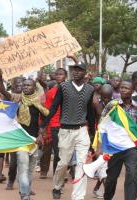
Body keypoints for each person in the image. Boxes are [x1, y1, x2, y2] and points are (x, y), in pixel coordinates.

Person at [40, 62, 95, 200]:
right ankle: (57, 186)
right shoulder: (63, 87)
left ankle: (78, 196)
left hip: (82, 130)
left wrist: (93, 133)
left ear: (84, 72)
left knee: (82, 164)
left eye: (80, 70)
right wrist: (43, 126)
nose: (76, 72)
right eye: (74, 70)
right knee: (63, 162)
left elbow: (90, 112)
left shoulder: (89, 89)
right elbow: (54, 107)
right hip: (65, 130)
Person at [100, 80, 137, 200]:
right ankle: (107, 197)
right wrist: (101, 145)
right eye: (122, 87)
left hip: (132, 147)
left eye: (126, 88)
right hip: (115, 147)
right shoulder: (112, 105)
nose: (123, 90)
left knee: (132, 175)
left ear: (133, 90)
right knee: (112, 178)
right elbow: (102, 123)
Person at [0, 78, 49, 200]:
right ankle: (25, 195)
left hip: (34, 141)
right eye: (24, 85)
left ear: (34, 88)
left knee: (30, 170)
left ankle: (24, 189)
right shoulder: (17, 99)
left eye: (28, 85)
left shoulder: (38, 102)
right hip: (20, 140)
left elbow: (46, 118)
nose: (25, 87)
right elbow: (3, 91)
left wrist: (41, 134)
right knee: (23, 168)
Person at [40, 68, 67, 179]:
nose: (59, 76)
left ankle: (61, 173)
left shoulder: (69, 89)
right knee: (49, 149)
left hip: (66, 124)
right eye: (57, 74)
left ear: (66, 76)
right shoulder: (51, 92)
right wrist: (44, 125)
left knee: (63, 151)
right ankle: (45, 170)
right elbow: (46, 109)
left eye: (61, 74)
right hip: (53, 124)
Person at [92, 84, 113, 199]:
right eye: (104, 97)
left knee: (108, 167)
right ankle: (107, 195)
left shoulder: (116, 104)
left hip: (113, 139)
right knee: (103, 165)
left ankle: (96, 189)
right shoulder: (96, 103)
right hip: (99, 137)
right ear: (101, 95)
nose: (106, 99)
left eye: (108, 97)